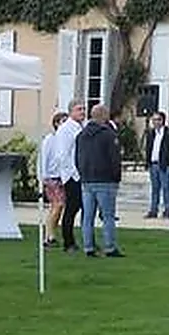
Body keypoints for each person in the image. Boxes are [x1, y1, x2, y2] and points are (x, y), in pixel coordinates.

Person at [75, 103, 124, 258]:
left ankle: (88, 246)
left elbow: (77, 158)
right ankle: (109, 247)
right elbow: (114, 159)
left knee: (87, 217)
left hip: (87, 180)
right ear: (103, 116)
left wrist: (82, 173)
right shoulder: (108, 135)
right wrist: (116, 177)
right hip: (105, 180)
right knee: (108, 216)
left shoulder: (81, 135)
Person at [55, 100, 86, 251]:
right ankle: (68, 242)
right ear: (71, 112)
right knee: (72, 208)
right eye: (79, 109)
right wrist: (73, 174)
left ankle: (80, 240)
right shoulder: (66, 129)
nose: (82, 112)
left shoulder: (80, 127)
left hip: (80, 174)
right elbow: (63, 154)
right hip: (72, 176)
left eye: (83, 109)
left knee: (80, 207)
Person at [38, 111, 68, 246]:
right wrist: (43, 176)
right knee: (58, 205)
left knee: (57, 207)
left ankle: (51, 233)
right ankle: (49, 235)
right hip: (51, 177)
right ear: (56, 124)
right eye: (63, 121)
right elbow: (44, 158)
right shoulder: (50, 139)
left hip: (61, 177)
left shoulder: (63, 140)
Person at [143, 111, 169, 219]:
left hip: (164, 165)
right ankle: (153, 210)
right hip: (153, 164)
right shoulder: (151, 133)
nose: (155, 122)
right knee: (154, 188)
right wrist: (148, 162)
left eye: (158, 120)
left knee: (166, 187)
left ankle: (167, 210)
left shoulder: (168, 133)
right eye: (154, 120)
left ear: (163, 121)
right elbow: (148, 148)